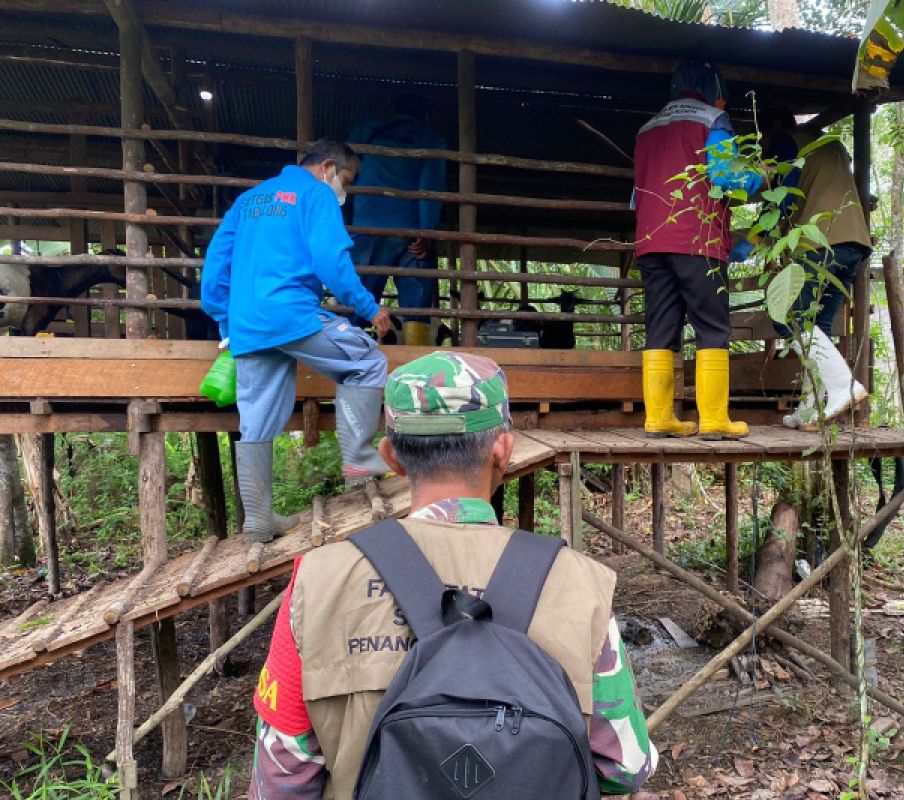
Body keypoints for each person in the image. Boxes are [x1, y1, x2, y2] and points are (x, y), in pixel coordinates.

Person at [248, 351, 657, 799]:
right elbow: (624, 765)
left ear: (391, 456)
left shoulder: (317, 581)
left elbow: (281, 781)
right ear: (504, 449)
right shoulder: (581, 583)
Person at [201, 140, 392, 542]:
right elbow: (331, 261)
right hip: (291, 315)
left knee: (256, 418)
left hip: (249, 323)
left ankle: (258, 520)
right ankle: (358, 460)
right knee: (367, 363)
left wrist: (225, 317)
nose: (345, 188)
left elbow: (216, 265)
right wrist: (369, 308)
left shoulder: (248, 200)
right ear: (327, 167)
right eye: (347, 179)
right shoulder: (316, 194)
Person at [633, 61, 761, 440]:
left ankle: (658, 417)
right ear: (712, 87)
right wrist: (760, 176)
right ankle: (715, 420)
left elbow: (635, 196)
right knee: (712, 326)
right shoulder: (712, 118)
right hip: (696, 238)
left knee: (660, 329)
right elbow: (726, 177)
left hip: (652, 240)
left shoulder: (647, 128)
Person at [735, 111, 871, 427]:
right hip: (854, 243)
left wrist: (752, 238)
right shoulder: (830, 144)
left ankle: (843, 386)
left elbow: (783, 198)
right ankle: (812, 408)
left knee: (787, 317)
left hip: (821, 242)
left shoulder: (788, 143)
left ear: (776, 126)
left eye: (762, 140)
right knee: (816, 328)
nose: (763, 149)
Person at [347, 94, 447, 346]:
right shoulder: (431, 140)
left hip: (367, 226)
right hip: (410, 230)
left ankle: (350, 352)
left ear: (393, 109)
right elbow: (430, 189)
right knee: (417, 300)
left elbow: (345, 175)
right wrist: (426, 233)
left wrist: (347, 225)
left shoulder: (366, 131)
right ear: (427, 116)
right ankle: (416, 360)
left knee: (361, 293)